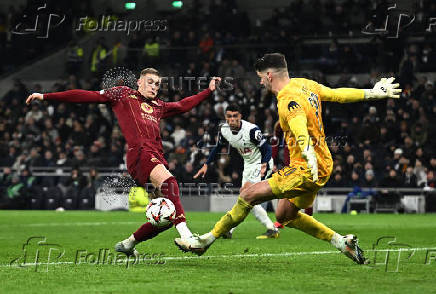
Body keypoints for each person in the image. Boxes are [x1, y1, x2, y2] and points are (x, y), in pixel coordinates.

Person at [175, 53, 401, 264]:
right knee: (285, 215)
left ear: (269, 75)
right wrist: (371, 93)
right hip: (322, 164)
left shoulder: (286, 99)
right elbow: (336, 94)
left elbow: (298, 123)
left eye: (261, 78)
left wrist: (307, 151)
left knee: (247, 195)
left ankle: (204, 241)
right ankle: (342, 243)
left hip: (306, 166)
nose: (261, 83)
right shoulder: (305, 84)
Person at [26, 68, 221, 257]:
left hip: (155, 156)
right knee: (171, 184)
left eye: (157, 84)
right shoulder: (123, 94)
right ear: (139, 82)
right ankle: (187, 236)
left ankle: (128, 244)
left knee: (167, 215)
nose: (154, 87)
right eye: (150, 82)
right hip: (140, 154)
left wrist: (208, 91)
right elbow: (86, 95)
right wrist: (46, 96)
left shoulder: (158, 106)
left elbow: (183, 105)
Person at [194, 104, 278, 239]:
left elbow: (267, 148)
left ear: (240, 116)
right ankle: (271, 229)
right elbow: (217, 148)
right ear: (225, 117)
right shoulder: (224, 130)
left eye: (235, 116)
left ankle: (231, 229)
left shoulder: (251, 130)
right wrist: (206, 164)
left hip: (261, 163)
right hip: (249, 164)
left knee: (246, 195)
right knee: (247, 198)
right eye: (229, 116)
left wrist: (264, 164)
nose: (232, 119)